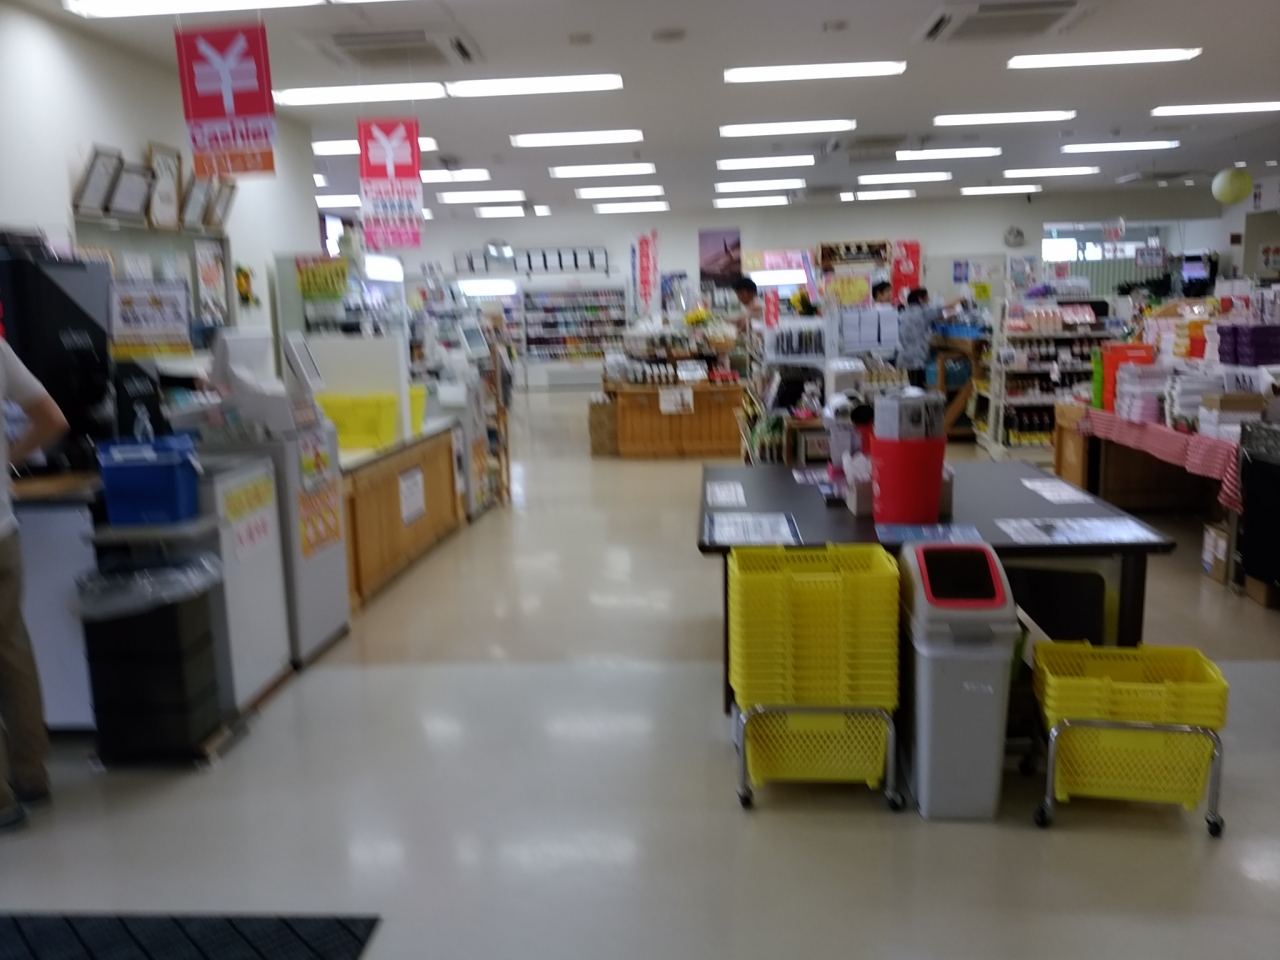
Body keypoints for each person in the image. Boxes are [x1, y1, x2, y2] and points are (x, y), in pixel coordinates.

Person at [0, 335, 69, 832]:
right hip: (2, 533)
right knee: (12, 650)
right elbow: (51, 419)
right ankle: (30, 776)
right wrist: (8, 461)